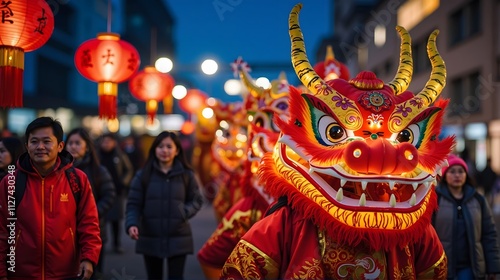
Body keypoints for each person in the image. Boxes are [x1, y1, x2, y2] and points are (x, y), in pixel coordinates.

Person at [0, 117, 101, 279]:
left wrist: (89, 258)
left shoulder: (77, 179)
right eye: (34, 141)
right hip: (21, 273)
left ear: (60, 146)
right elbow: (3, 230)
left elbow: (89, 223)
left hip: (66, 272)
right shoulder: (11, 181)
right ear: (27, 146)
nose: (40, 147)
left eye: (47, 141)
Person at [125, 131, 203, 280]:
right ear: (154, 149)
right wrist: (132, 224)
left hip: (178, 236)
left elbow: (197, 200)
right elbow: (133, 204)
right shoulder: (143, 175)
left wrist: (184, 212)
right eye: (160, 146)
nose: (165, 150)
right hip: (150, 236)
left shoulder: (186, 175)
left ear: (177, 150)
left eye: (169, 146)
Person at [433, 154, 500, 279]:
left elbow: (489, 234)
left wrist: (493, 267)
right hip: (442, 266)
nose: (457, 175)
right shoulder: (436, 199)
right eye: (452, 171)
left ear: (466, 175)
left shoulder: (478, 200)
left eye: (461, 171)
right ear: (445, 175)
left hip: (470, 268)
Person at [65, 128, 116, 279]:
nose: (73, 146)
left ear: (87, 146)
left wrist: (91, 214)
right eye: (70, 143)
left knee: (92, 273)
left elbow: (109, 195)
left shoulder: (98, 170)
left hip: (93, 231)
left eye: (77, 143)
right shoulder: (60, 170)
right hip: (66, 234)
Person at [98, 132, 133, 254]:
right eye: (104, 141)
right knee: (100, 220)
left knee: (116, 220)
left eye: (108, 141)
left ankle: (116, 243)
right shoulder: (97, 156)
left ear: (114, 143)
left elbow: (128, 170)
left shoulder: (120, 155)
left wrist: (123, 183)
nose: (106, 144)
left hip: (117, 192)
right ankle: (100, 243)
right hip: (101, 193)